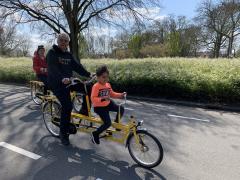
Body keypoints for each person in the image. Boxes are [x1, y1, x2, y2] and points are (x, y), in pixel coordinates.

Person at [46, 33, 92, 146]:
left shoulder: (68, 54)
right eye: (61, 40)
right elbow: (53, 70)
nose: (63, 42)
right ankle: (63, 134)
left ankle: (84, 110)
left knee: (89, 87)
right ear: (58, 41)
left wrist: (89, 74)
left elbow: (77, 66)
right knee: (67, 106)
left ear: (68, 43)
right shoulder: (52, 53)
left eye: (66, 41)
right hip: (57, 84)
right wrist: (62, 79)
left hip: (69, 82)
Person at [91, 65, 126, 145]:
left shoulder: (108, 85)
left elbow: (112, 94)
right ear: (98, 77)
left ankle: (117, 124)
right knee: (107, 123)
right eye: (103, 77)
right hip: (99, 107)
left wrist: (121, 95)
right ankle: (95, 133)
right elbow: (93, 98)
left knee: (121, 109)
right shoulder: (96, 86)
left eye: (107, 77)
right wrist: (103, 99)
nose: (106, 79)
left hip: (108, 103)